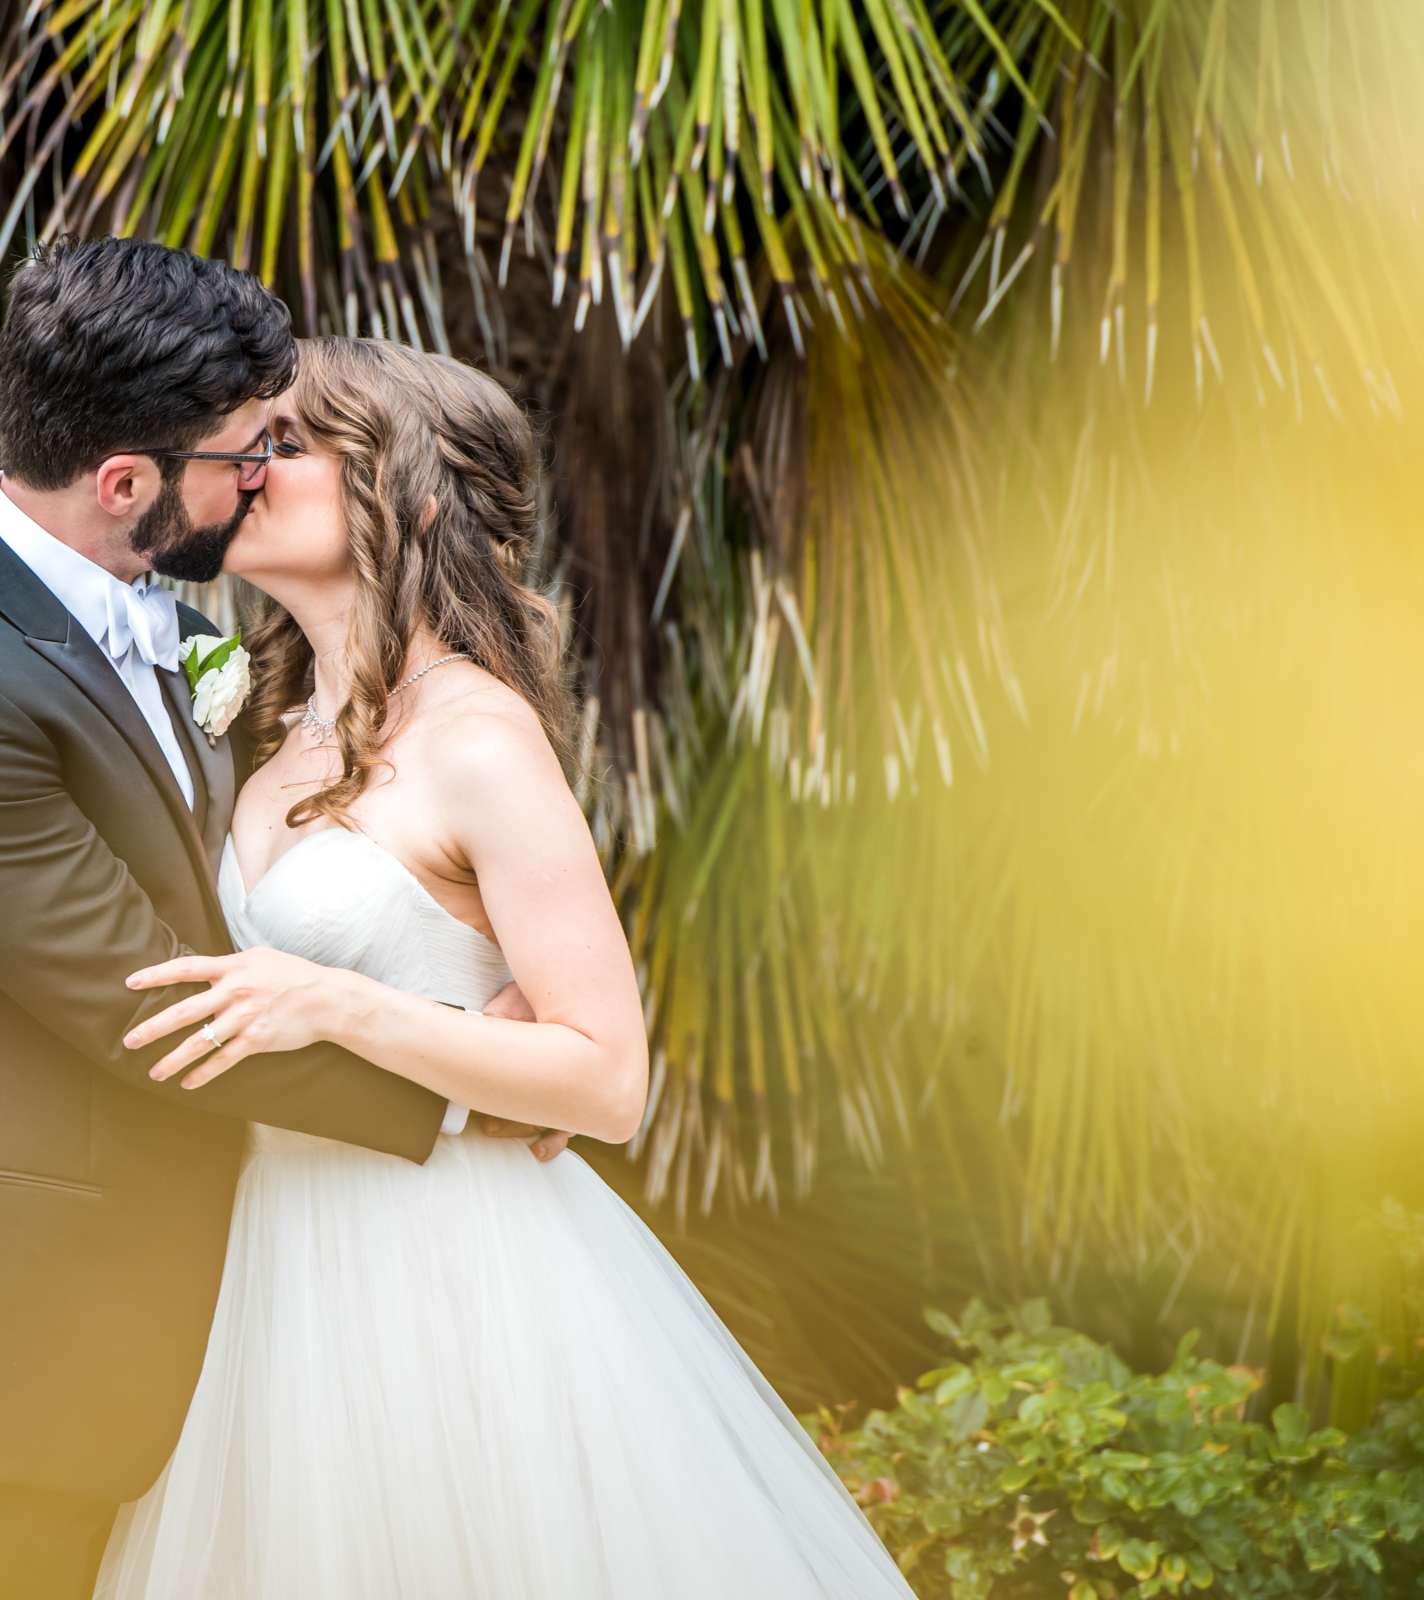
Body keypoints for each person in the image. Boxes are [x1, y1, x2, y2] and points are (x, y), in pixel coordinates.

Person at [0, 240, 553, 1600]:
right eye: (251, 449)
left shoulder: (163, 643)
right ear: (128, 483)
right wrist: (466, 1084)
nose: (265, 474)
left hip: (190, 1325)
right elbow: (154, 1009)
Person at [91, 335, 919, 1597]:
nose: (247, 471)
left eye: (290, 447)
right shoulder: (264, 741)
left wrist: (344, 1002)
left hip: (442, 1279)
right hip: (264, 1270)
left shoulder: (478, 737)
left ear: (410, 496)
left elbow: (604, 1076)